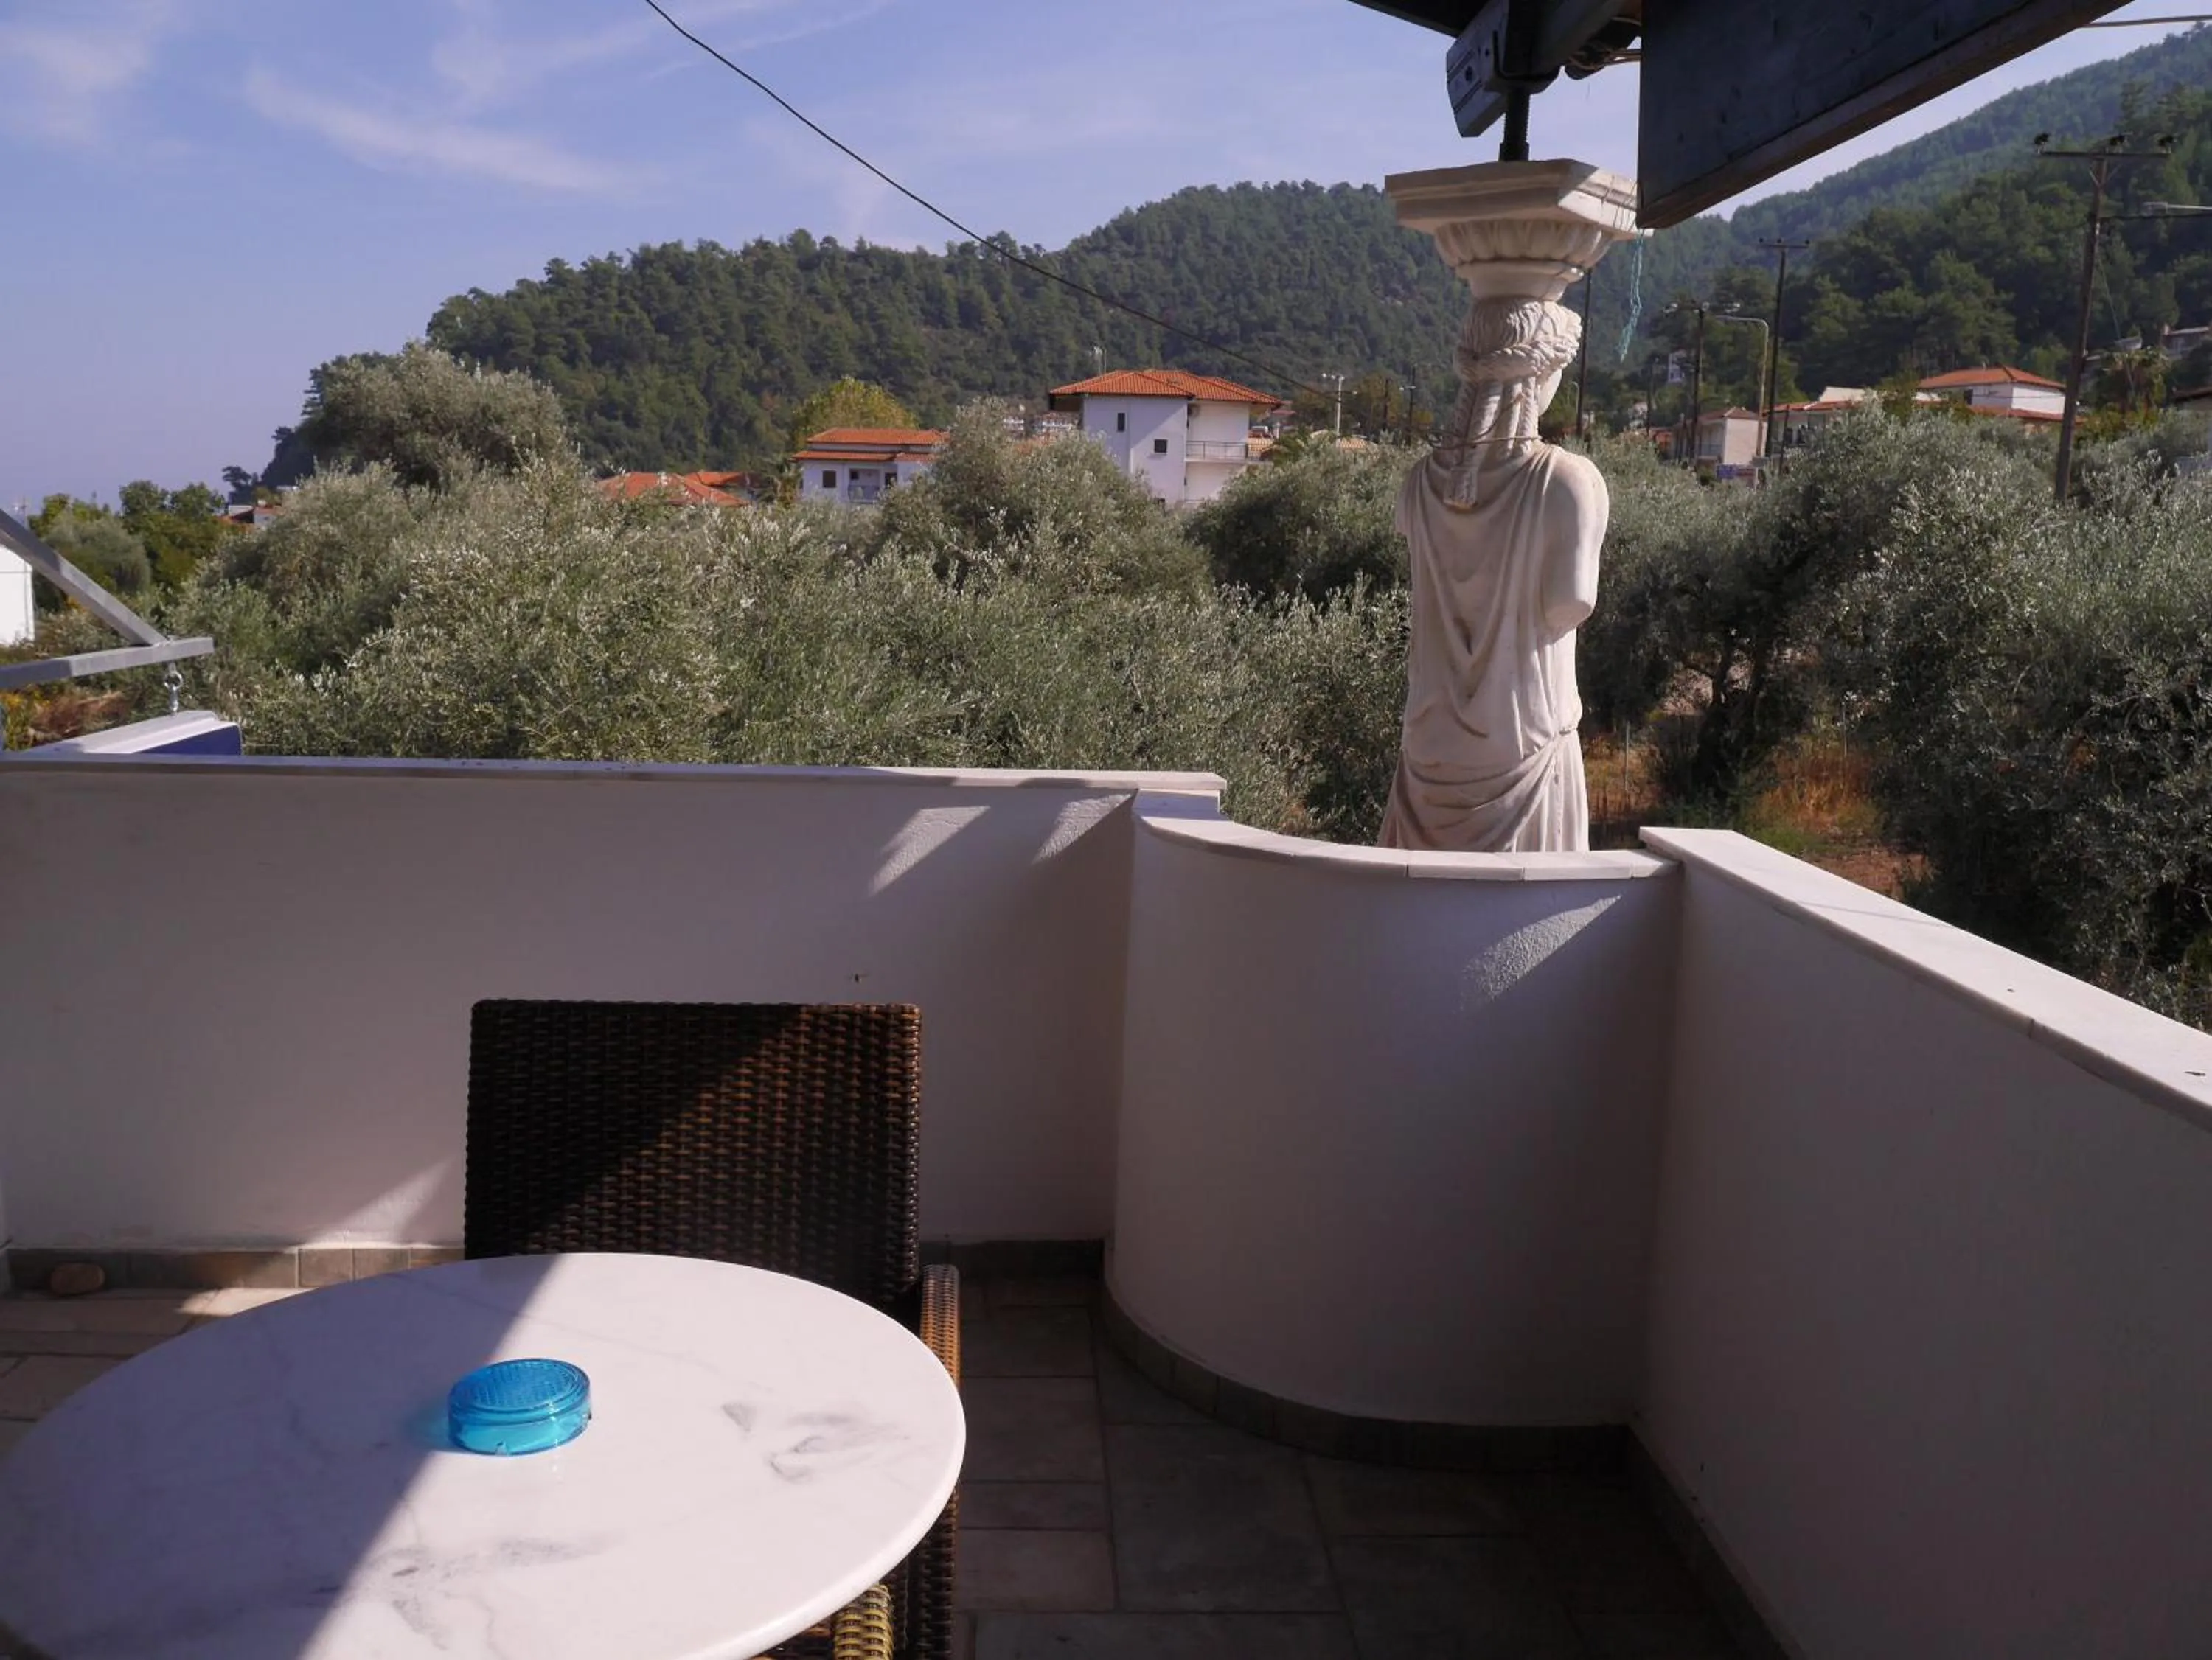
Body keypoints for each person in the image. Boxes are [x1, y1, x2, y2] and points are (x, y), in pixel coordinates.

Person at [1378, 293, 1607, 853]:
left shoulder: (1420, 483)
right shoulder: (1567, 481)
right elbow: (1568, 604)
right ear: (1542, 374)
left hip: (1431, 747)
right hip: (1522, 743)